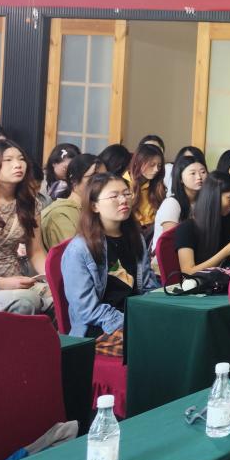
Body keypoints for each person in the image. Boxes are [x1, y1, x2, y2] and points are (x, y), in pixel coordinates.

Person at [60, 173, 159, 356]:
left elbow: (147, 287)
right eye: (114, 196)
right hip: (98, 329)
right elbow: (86, 309)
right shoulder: (79, 249)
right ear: (94, 206)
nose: (123, 200)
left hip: (134, 319)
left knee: (177, 331)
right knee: (155, 344)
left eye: (126, 194)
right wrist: (131, 321)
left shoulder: (136, 238)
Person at [0, 140, 51, 315]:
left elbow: (36, 252)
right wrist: (2, 283)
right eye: (8, 160)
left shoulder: (29, 204)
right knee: (26, 300)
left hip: (15, 282)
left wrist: (55, 280)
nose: (17, 164)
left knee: (65, 297)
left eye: (21, 158)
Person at [172, 172, 230, 274]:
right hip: (201, 283)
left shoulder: (228, 221)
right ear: (214, 197)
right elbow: (188, 271)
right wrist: (227, 250)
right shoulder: (186, 229)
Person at [40, 153, 103, 249]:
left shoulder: (96, 209)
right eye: (94, 177)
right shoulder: (61, 215)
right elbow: (72, 253)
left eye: (105, 177)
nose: (102, 182)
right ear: (74, 180)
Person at [152, 154, 206, 251]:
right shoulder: (172, 204)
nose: (199, 177)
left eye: (203, 172)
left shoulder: (203, 202)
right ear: (180, 178)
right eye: (193, 173)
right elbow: (168, 243)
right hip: (167, 256)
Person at [125, 142, 166, 243]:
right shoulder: (123, 183)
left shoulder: (157, 185)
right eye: (152, 165)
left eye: (159, 166)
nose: (156, 170)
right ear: (138, 162)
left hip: (153, 234)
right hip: (130, 233)